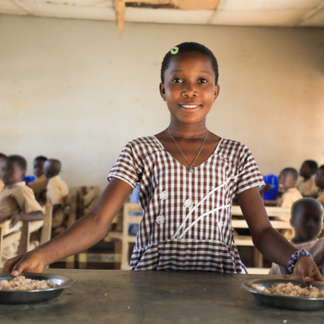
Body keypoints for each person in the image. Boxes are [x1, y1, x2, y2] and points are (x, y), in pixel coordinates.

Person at [3, 42, 322, 282]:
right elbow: (99, 221)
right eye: (178, 80)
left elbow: (263, 230)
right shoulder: (140, 150)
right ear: (162, 89)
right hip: (151, 280)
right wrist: (41, 255)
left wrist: (298, 258)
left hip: (221, 281)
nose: (189, 91)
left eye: (202, 81)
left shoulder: (236, 153)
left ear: (216, 90)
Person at [0, 155, 44, 261]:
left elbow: (40, 214)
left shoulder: (22, 190)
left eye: (10, 170)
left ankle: (32, 246)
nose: (5, 173)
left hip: (6, 241)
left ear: (22, 174)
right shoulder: (7, 189)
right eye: (3, 169)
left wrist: (19, 216)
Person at [270, 198, 324, 275]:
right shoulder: (281, 248)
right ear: (292, 221)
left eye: (317, 220)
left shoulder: (321, 246)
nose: (311, 224)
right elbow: (271, 278)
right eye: (305, 218)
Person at [43, 159, 69, 233]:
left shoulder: (52, 185)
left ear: (47, 171)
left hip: (55, 219)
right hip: (62, 216)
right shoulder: (61, 182)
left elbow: (57, 204)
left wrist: (46, 216)